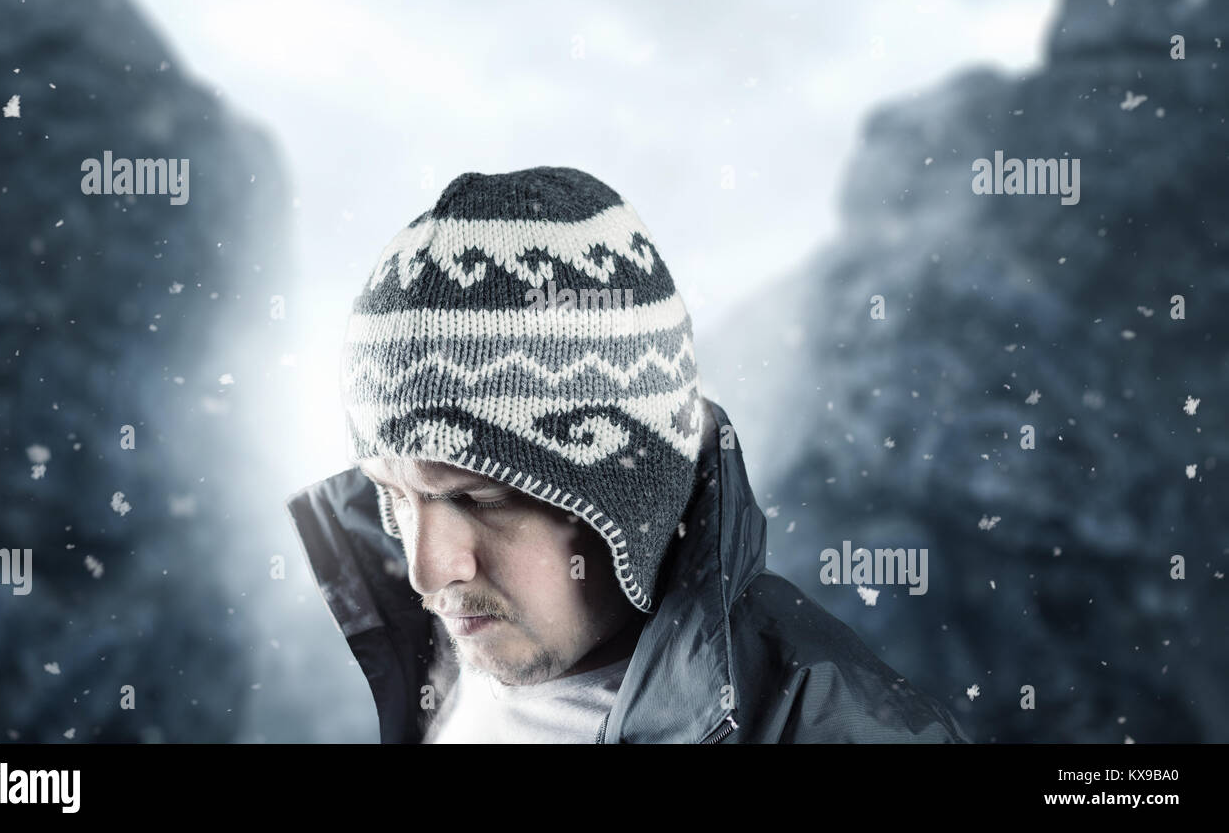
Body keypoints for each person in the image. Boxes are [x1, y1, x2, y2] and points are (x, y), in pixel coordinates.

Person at [285, 166, 969, 743]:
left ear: (628, 504)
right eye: (396, 497)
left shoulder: (829, 725)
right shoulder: (436, 672)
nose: (425, 570)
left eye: (481, 498)